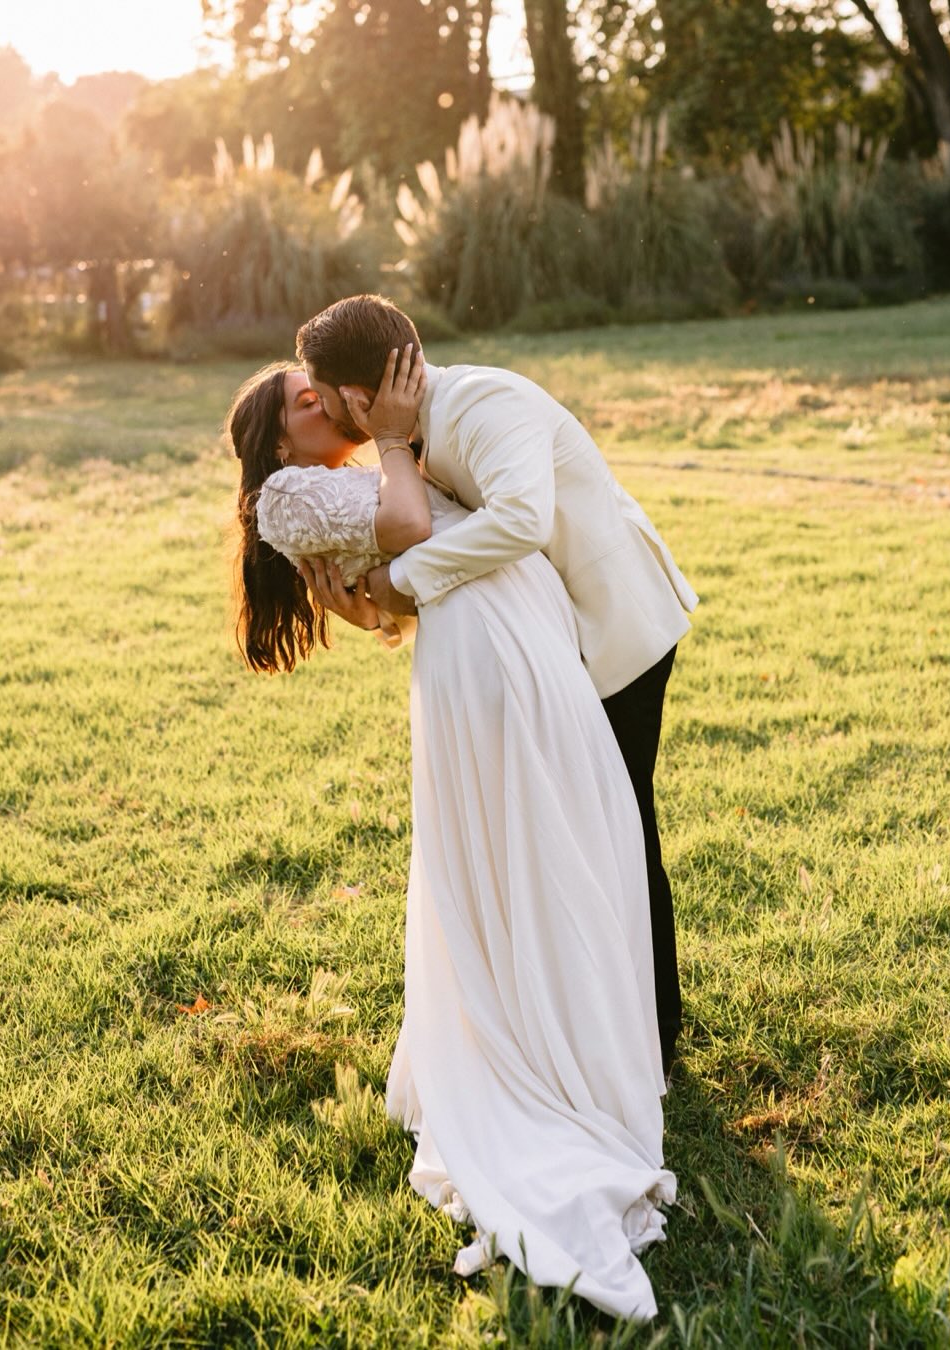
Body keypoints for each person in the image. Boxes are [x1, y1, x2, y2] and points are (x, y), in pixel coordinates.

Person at [227, 347, 675, 1321]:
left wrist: (384, 582)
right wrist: (390, 447)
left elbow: (392, 590)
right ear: (276, 437)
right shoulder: (291, 497)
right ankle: (546, 1051)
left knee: (571, 835)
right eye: (309, 402)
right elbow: (414, 530)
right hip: (485, 654)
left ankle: (600, 1028)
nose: (332, 404)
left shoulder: (371, 459)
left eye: (330, 389)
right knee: (536, 843)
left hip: (514, 636)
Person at [295, 295, 698, 1079]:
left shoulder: (484, 402)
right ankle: (595, 1014)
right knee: (580, 829)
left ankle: (656, 1029)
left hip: (620, 634)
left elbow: (520, 519)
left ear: (354, 396)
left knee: (620, 825)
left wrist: (401, 579)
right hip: (554, 650)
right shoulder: (409, 443)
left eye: (328, 400)